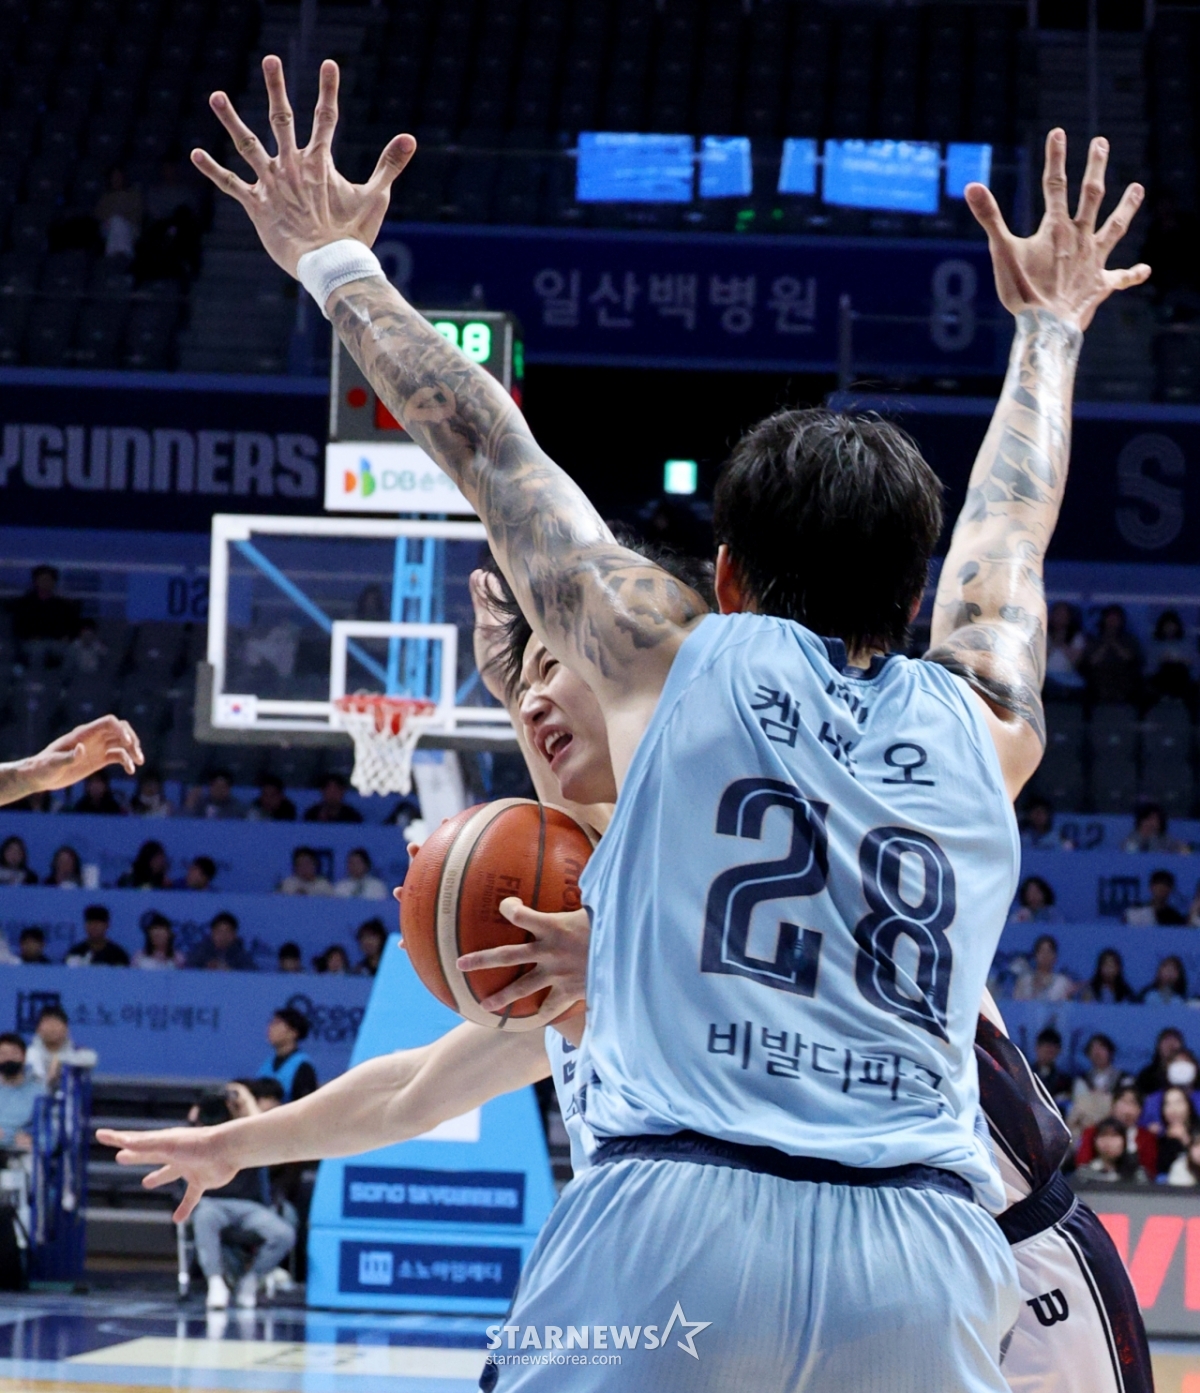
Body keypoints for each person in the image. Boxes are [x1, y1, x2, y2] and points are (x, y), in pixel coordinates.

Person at [147, 92, 1152, 1386]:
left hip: (685, 1220)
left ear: (723, 578)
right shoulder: (987, 723)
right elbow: (1011, 534)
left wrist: (335, 260)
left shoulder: (672, 662)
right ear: (912, 601)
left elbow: (492, 448)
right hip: (920, 1247)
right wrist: (1052, 330)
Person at [105, 543, 1154, 1393]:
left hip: (1013, 1261)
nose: (534, 700)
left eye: (563, 667)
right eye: (526, 683)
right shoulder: (579, 909)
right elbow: (413, 1088)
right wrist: (236, 1143)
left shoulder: (762, 837)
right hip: (791, 1283)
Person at [185, 1087, 296, 1310]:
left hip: (249, 1207)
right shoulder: (197, 1135)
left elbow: (264, 1128)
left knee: (283, 1234)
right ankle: (216, 1283)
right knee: (204, 1217)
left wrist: (244, 1100)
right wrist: (197, 1115)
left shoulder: (246, 1132)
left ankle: (251, 1281)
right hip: (212, 1203)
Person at [1077, 1085, 1157, 1176]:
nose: (1127, 1111)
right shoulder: (1092, 1132)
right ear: (1113, 1105)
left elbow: (1150, 1172)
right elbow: (1082, 1165)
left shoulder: (1147, 1138)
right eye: (1123, 1102)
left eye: (1134, 1104)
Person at [1081, 604, 1143, 708]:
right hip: (1099, 673)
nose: (1112, 622)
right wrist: (1105, 644)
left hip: (1123, 673)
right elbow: (1092, 661)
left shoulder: (1129, 639)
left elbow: (1130, 659)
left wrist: (1114, 643)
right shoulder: (1094, 639)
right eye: (1110, 618)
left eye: (1116, 619)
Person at [1069, 1034, 1125, 1138]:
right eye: (1093, 1049)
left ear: (1110, 1052)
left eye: (1101, 1048)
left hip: (1114, 1129)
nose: (1097, 1053)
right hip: (1085, 1130)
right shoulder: (1081, 1080)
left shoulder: (1123, 1079)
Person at [25, 1005, 98, 1085]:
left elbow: (92, 1058)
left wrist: (59, 1060)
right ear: (38, 1029)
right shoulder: (30, 1054)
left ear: (66, 1029)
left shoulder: (75, 1050)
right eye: (48, 1023)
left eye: (56, 1023)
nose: (52, 1028)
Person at [258, 1008, 317, 1102]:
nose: (270, 1028)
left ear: (293, 1032)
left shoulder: (303, 1066)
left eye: (277, 1024)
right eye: (271, 1023)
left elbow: (307, 1104)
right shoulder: (267, 1064)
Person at [1144, 609, 1196, 709]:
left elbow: (1195, 667)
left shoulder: (1187, 645)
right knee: (1168, 668)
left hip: (1183, 678)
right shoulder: (1154, 645)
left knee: (1178, 669)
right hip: (1161, 677)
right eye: (1167, 626)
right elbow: (1148, 670)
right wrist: (1160, 661)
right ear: (1161, 627)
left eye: (1172, 625)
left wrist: (1184, 661)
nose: (1170, 628)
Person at [0, 1034, 44, 1150]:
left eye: (14, 1053)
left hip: (21, 1152)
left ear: (24, 1057)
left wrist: (34, 1140)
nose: (8, 1058)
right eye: (3, 1054)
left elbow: (49, 1133)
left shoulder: (39, 1092)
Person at [1079, 1118, 1150, 1183]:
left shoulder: (1137, 1174)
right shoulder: (1085, 1174)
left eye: (1114, 1135)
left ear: (1124, 1141)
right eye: (1103, 1135)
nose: (1108, 1141)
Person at [1043, 601, 1087, 700]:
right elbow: (1039, 660)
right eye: (1057, 614)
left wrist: (1062, 644)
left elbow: (1075, 662)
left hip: (1068, 676)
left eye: (1063, 615)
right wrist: (1053, 644)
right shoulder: (1043, 635)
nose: (1060, 618)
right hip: (1046, 676)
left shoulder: (1076, 637)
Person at [1012, 934, 1075, 1001]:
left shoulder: (1063, 983)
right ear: (1035, 956)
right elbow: (1016, 1004)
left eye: (1048, 952)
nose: (1045, 955)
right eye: (1042, 951)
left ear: (1055, 957)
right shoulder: (1024, 981)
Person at [187, 912, 256, 971]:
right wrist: (206, 967)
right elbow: (188, 967)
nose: (223, 935)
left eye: (227, 932)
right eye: (219, 931)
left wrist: (231, 969)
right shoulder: (201, 951)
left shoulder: (241, 954)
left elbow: (252, 972)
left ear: (234, 935)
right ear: (212, 933)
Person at [1154, 1084, 1198, 1177]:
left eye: (1178, 1102)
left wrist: (1186, 1140)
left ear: (1188, 1106)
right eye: (1167, 1104)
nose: (1173, 1109)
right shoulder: (1159, 1139)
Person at [65, 905, 130, 966]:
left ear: (107, 925)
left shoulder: (118, 955)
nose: (94, 927)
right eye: (90, 923)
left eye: (98, 924)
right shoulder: (76, 952)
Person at [1029, 1026, 1073, 1108]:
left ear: (1058, 1051)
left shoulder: (1065, 1081)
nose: (1048, 1054)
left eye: (1051, 1051)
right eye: (1045, 1049)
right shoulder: (1025, 1075)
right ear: (1037, 1048)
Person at [1136, 1026, 1186, 1098]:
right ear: (1158, 1047)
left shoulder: (1192, 1072)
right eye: (1166, 1041)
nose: (1170, 1045)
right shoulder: (1146, 1076)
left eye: (1174, 1041)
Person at [1123, 802, 1189, 854]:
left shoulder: (1165, 839)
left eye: (1155, 819)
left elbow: (1183, 851)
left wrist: (1181, 848)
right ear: (1141, 821)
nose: (1151, 823)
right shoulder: (1133, 837)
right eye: (1148, 819)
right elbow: (1127, 851)